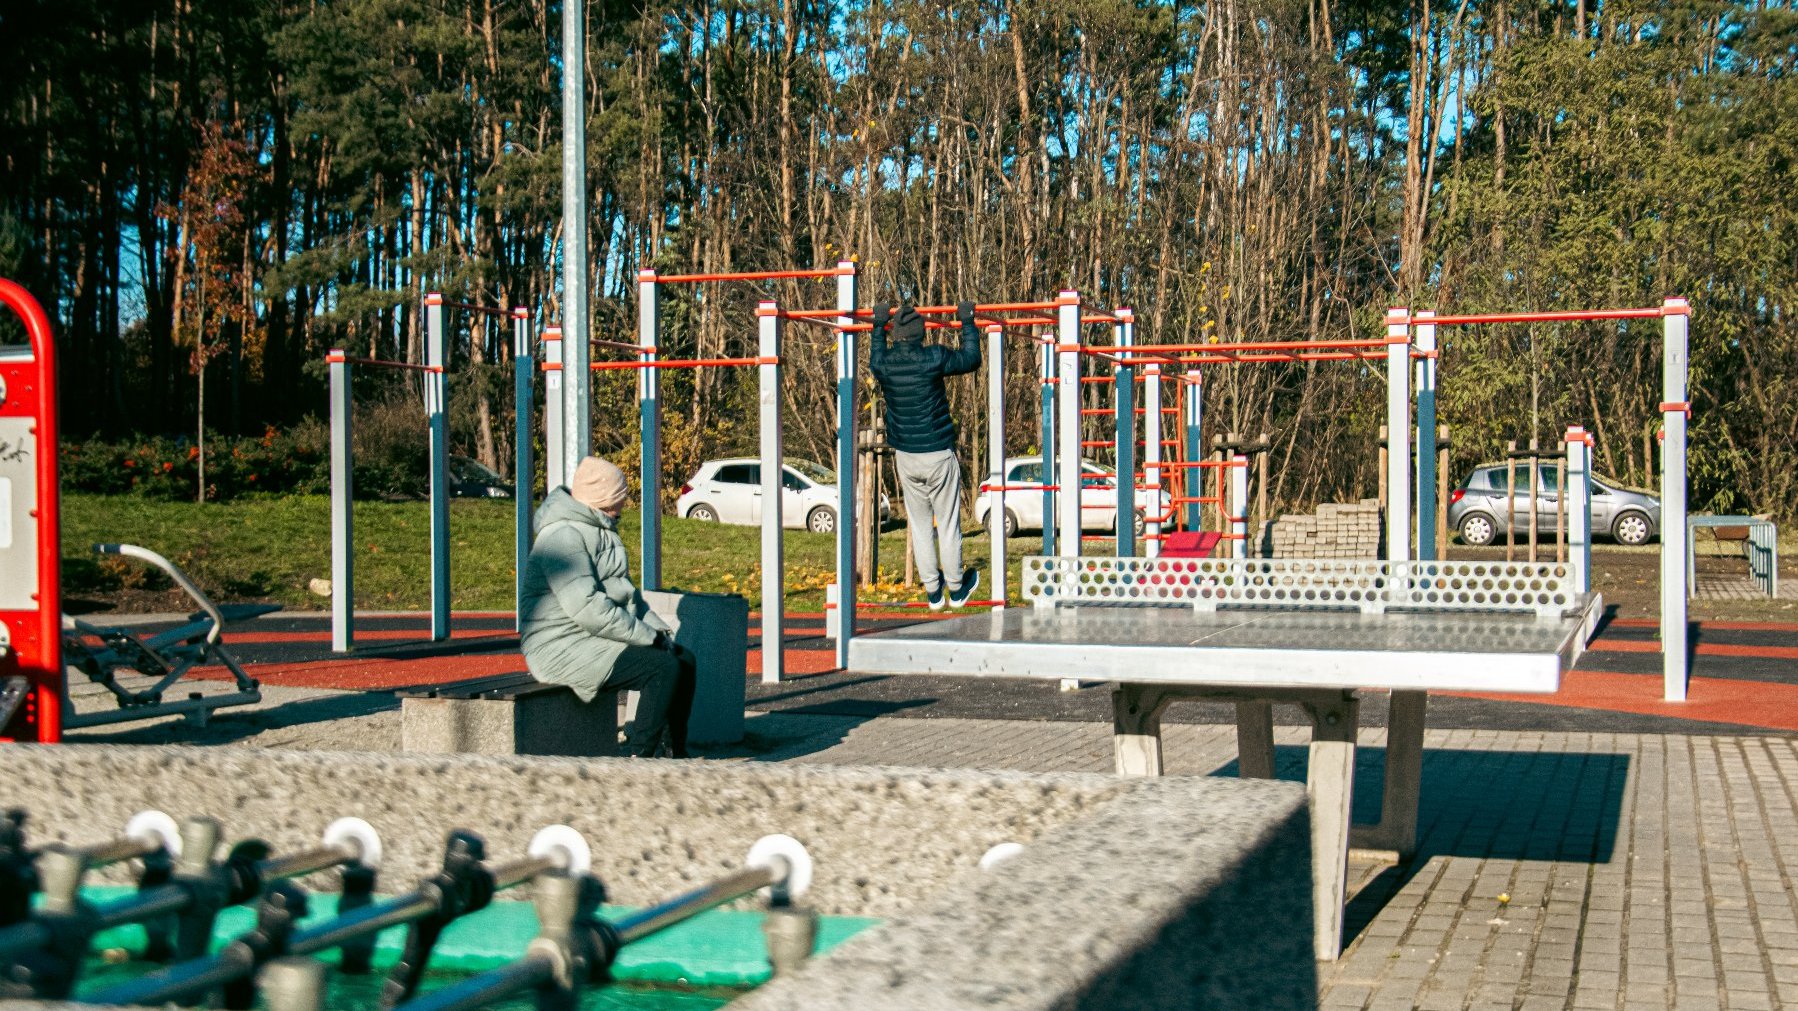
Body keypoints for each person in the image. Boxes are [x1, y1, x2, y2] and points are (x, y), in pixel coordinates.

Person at [519, 455, 695, 757]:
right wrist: (646, 637)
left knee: (683, 659)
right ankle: (637, 756)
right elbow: (588, 608)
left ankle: (673, 752)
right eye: (620, 496)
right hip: (559, 645)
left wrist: (659, 632)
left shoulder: (601, 529)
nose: (625, 502)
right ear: (602, 498)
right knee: (661, 669)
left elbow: (628, 596)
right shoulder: (562, 537)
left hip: (589, 636)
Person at [869, 299, 983, 610]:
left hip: (906, 455)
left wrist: (878, 324)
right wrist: (967, 321)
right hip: (937, 454)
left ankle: (933, 592)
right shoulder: (933, 357)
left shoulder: (885, 364)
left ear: (896, 335)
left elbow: (875, 355)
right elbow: (972, 358)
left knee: (919, 526)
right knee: (947, 523)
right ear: (921, 335)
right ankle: (957, 589)